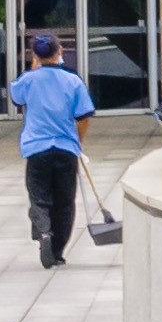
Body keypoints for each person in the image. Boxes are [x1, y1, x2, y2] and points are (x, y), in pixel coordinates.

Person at [12, 33, 96, 267]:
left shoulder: (28, 80)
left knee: (38, 197)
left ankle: (44, 231)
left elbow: (17, 97)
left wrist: (33, 69)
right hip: (65, 148)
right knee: (65, 202)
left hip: (37, 149)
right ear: (60, 52)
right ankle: (57, 251)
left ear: (35, 55)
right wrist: (77, 141)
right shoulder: (73, 81)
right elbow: (84, 116)